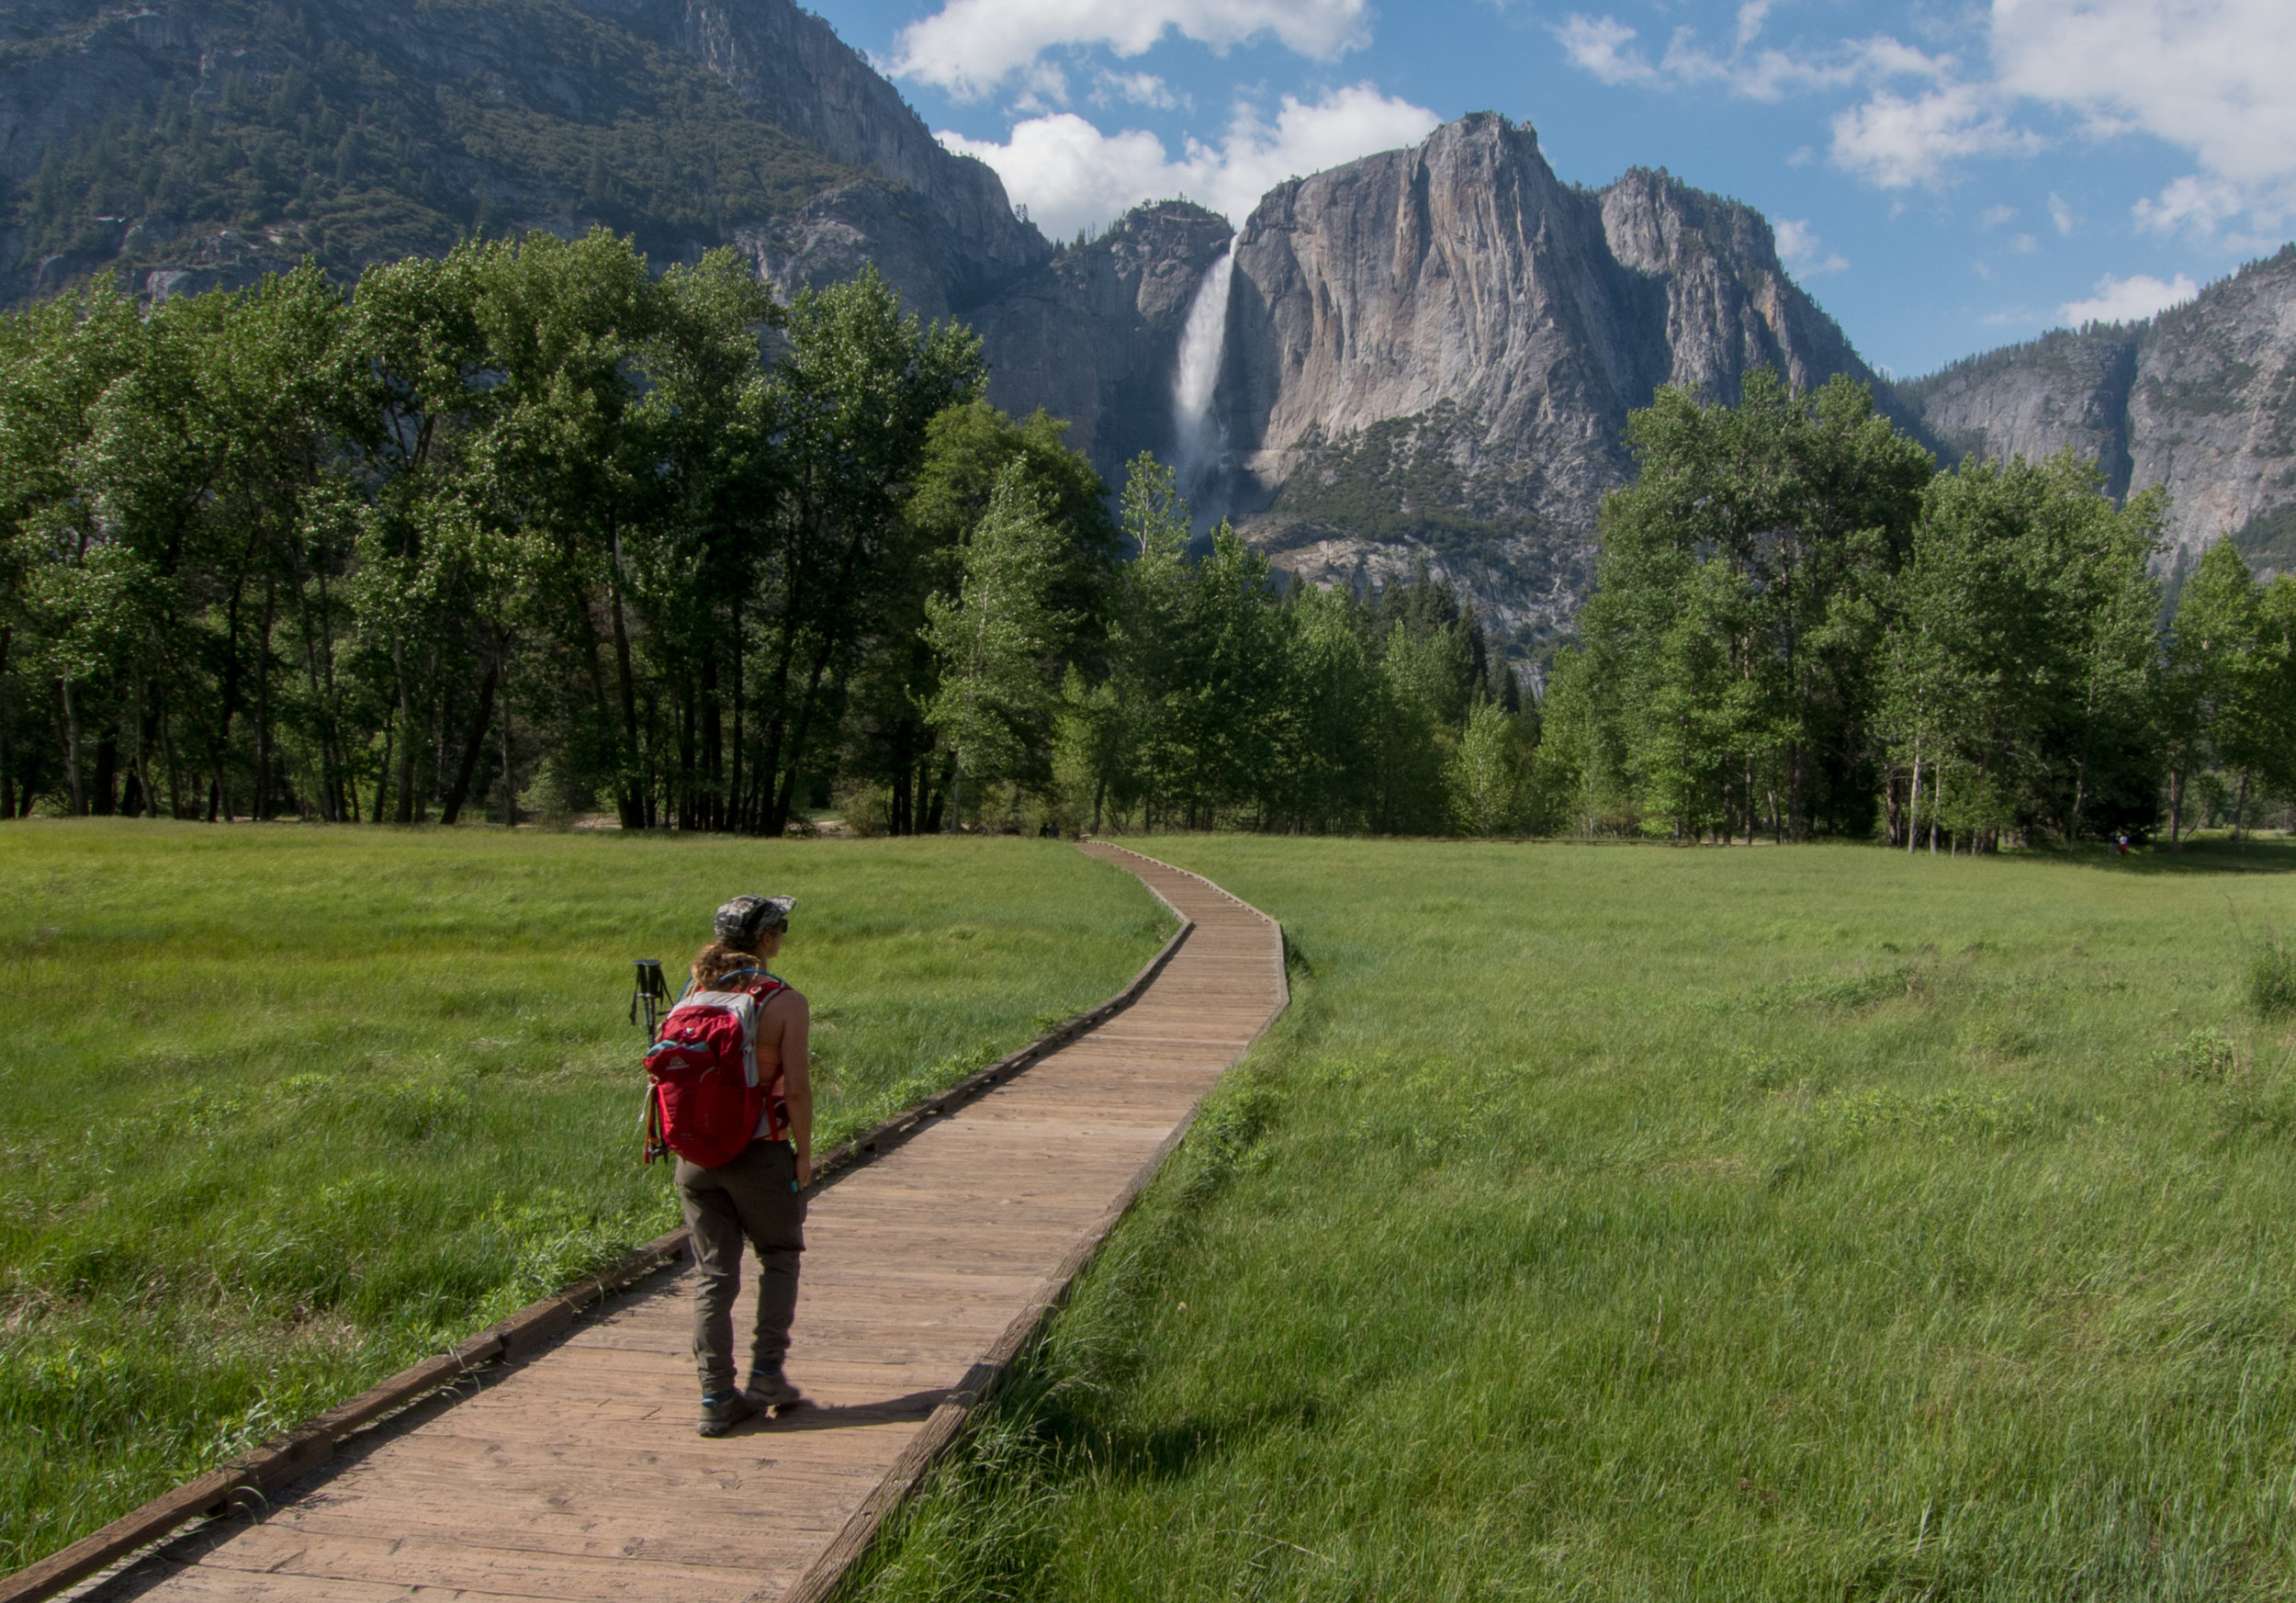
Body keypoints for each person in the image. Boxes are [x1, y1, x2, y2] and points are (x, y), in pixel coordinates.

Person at [677, 893, 814, 1437]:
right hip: (759, 1152)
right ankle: (765, 1378)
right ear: (764, 940)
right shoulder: (784, 1001)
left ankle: (715, 1398)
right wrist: (803, 1154)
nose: (783, 933)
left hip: (694, 1159)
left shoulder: (693, 992)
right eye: (780, 926)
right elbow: (797, 1090)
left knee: (713, 1276)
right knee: (779, 1255)